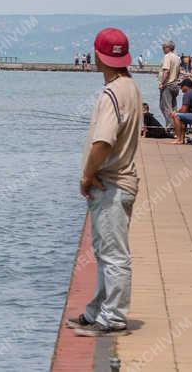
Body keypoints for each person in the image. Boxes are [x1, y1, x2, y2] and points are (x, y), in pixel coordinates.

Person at [67, 27, 141, 337]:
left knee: (112, 254)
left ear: (98, 58)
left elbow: (103, 141)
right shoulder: (132, 88)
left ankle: (113, 318)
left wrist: (87, 174)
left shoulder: (111, 94)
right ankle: (97, 310)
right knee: (104, 252)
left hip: (110, 183)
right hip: (120, 182)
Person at [158, 41, 181, 132]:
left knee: (165, 106)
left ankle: (170, 127)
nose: (163, 49)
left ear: (168, 48)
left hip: (167, 85)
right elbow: (178, 71)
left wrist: (161, 83)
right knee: (173, 107)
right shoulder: (177, 57)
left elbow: (166, 71)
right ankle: (176, 126)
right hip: (175, 84)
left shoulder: (167, 57)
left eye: (164, 47)